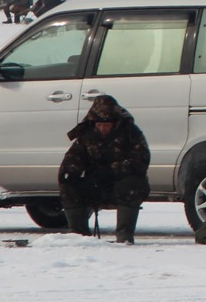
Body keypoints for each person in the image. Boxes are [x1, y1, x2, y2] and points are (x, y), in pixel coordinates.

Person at [58, 94, 150, 243]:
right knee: (69, 185)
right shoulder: (86, 134)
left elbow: (141, 160)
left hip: (121, 183)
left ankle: (124, 236)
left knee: (133, 184)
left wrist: (114, 170)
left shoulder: (131, 133)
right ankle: (79, 236)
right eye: (99, 125)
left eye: (106, 125)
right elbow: (74, 156)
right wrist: (69, 171)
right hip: (95, 183)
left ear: (115, 123)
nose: (102, 128)